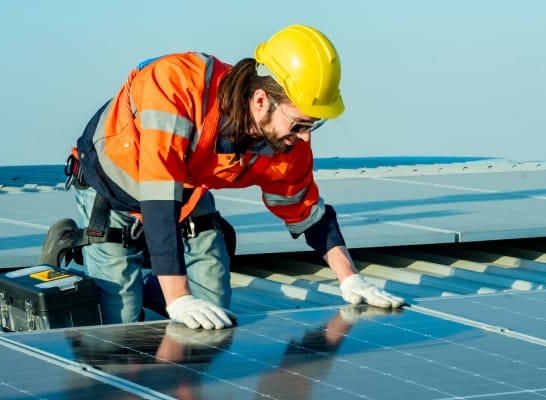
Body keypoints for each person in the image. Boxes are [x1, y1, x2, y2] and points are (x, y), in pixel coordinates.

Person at [67, 24, 404, 330]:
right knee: (121, 323)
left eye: (313, 125)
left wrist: (350, 279)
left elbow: (306, 211)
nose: (305, 137)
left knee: (212, 311)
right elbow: (157, 195)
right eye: (300, 124)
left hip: (185, 194)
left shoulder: (285, 140)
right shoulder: (176, 85)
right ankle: (82, 268)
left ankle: (146, 285)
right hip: (114, 190)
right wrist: (178, 297)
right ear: (261, 100)